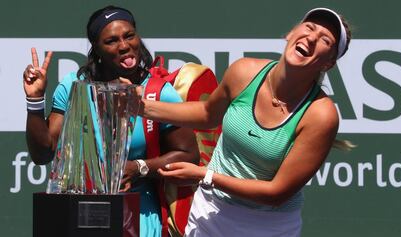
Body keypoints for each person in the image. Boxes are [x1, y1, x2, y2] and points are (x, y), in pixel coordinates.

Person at [137, 7, 352, 237]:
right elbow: (208, 114)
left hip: (268, 226)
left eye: (325, 40)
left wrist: (205, 176)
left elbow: (276, 193)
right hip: (209, 213)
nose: (311, 38)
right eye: (309, 27)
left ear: (328, 63)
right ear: (291, 33)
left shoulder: (321, 115)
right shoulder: (244, 71)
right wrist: (143, 108)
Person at [22, 5, 199, 237]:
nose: (124, 46)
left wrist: (139, 168)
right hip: (77, 214)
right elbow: (43, 154)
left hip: (138, 216)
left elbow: (189, 155)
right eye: (111, 41)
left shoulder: (158, 92)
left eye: (129, 36)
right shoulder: (73, 86)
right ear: (96, 48)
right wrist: (35, 100)